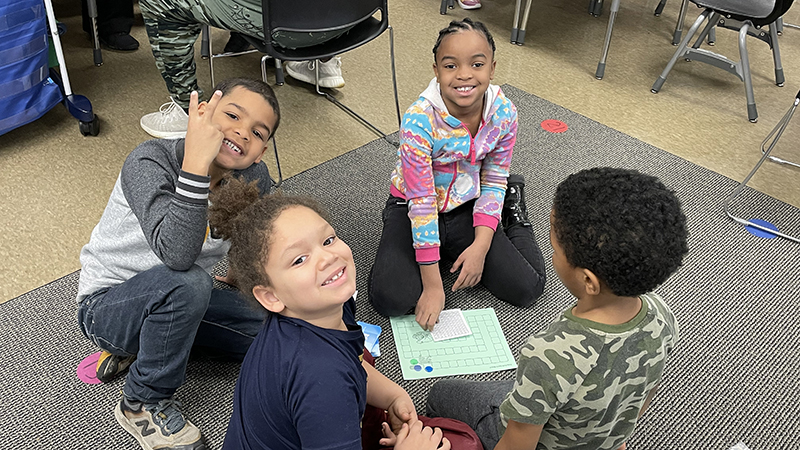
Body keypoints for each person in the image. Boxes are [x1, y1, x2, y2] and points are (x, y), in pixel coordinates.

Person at [76, 77, 281, 450]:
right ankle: (142, 401)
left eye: (257, 132)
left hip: (181, 298)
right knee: (189, 282)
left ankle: (157, 344)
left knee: (272, 327)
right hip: (108, 305)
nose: (241, 132)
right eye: (231, 115)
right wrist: (197, 164)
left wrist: (244, 279)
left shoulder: (253, 176)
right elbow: (178, 255)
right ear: (200, 114)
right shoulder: (149, 160)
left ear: (262, 151)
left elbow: (249, 235)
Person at [425, 167, 690, 450]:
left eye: (554, 249)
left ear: (588, 280)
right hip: (597, 433)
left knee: (440, 395)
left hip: (540, 435)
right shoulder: (662, 314)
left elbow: (517, 444)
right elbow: (643, 396)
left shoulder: (550, 353)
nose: (551, 254)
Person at [206, 182, 460, 450]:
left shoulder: (324, 308)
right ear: (271, 297)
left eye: (328, 240)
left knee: (365, 357)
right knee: (461, 442)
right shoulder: (323, 378)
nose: (327, 257)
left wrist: (393, 395)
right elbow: (333, 376)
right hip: (322, 400)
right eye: (299, 259)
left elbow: (353, 361)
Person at [369, 18, 547, 331]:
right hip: (413, 205)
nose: (464, 74)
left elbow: (493, 179)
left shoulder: (504, 113)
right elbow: (421, 201)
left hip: (469, 201)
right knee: (391, 299)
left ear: (492, 69)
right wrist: (433, 284)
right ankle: (440, 250)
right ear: (436, 70)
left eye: (476, 64)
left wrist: (480, 246)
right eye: (450, 66)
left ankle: (513, 210)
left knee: (526, 287)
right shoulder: (418, 120)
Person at [137, 0, 347, 139]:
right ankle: (323, 62)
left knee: (157, 2)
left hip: (284, 23)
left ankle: (188, 110)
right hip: (348, 20)